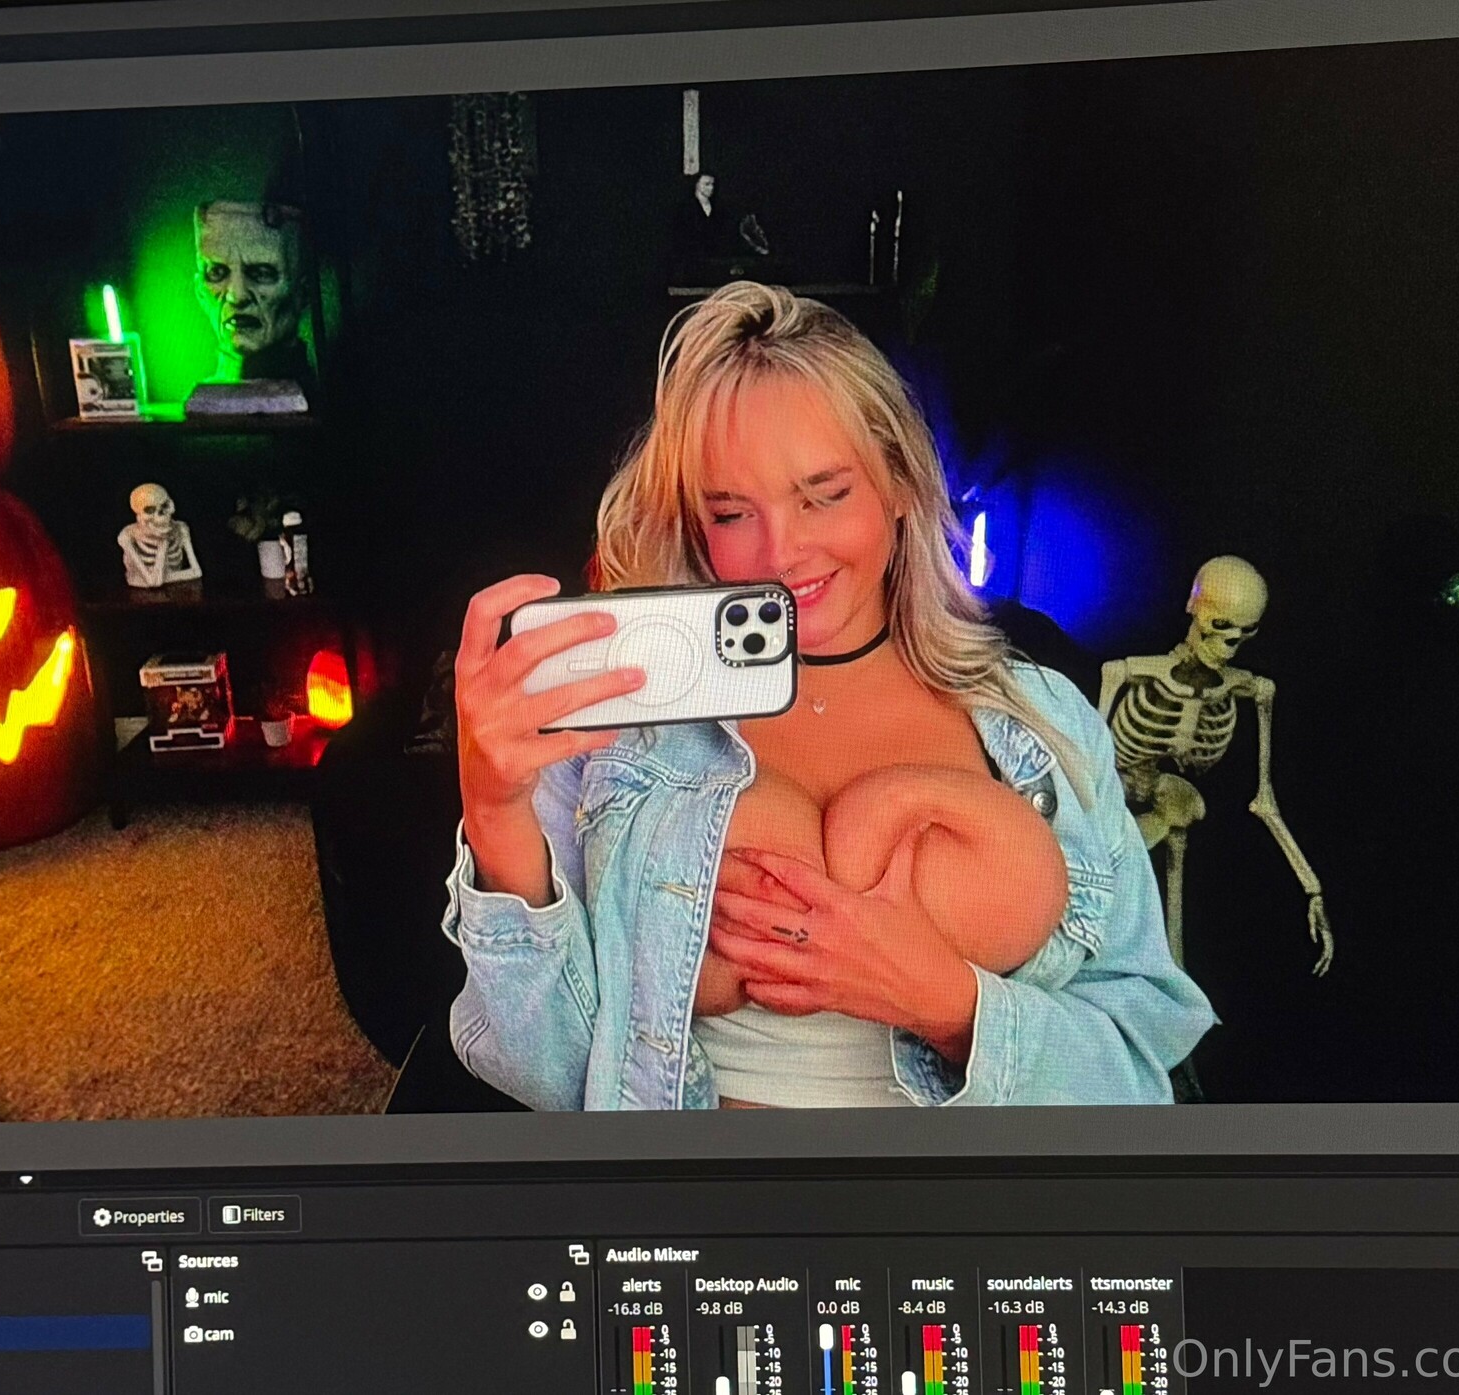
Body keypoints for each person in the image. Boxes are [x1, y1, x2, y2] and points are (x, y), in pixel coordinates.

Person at [442, 281, 1213, 1109]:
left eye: (824, 494)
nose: (783, 552)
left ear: (898, 482)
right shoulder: (623, 719)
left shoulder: (1044, 723)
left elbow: (1137, 1078)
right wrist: (493, 810)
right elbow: (549, 1076)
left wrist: (947, 1004)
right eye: (732, 513)